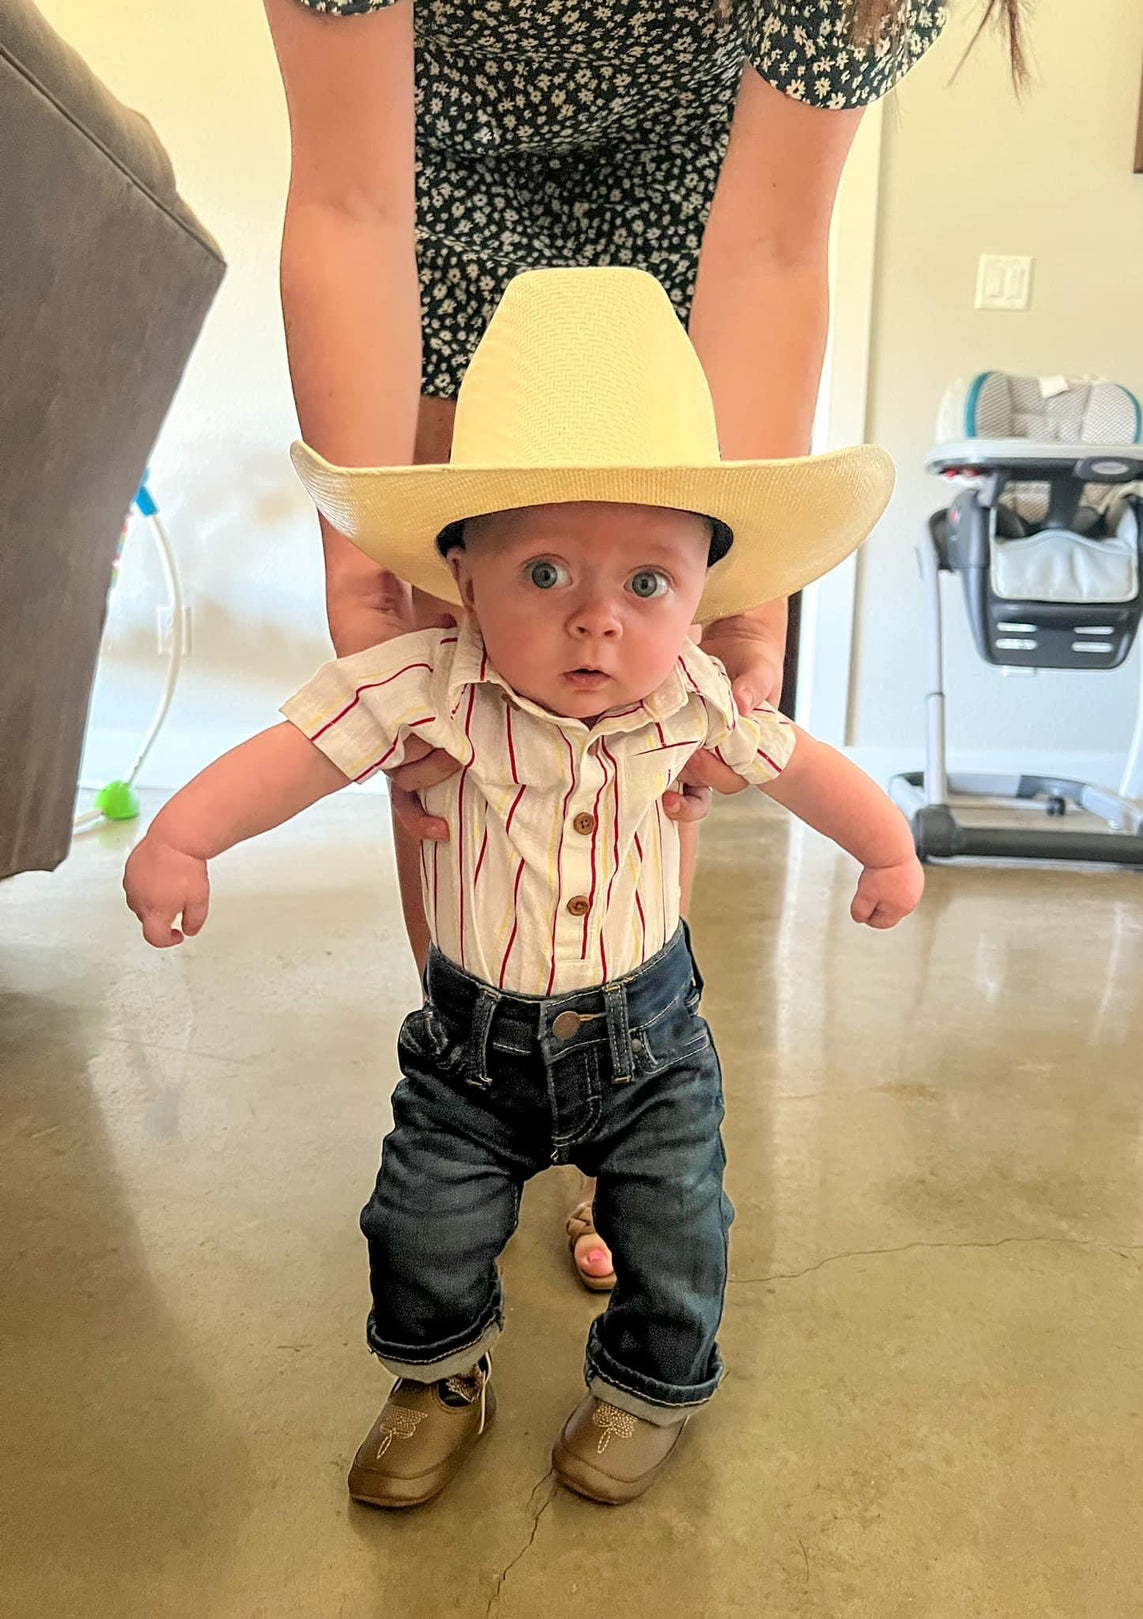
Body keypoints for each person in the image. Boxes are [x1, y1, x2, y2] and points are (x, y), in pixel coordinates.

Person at [123, 266, 923, 1506]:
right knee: (420, 1225)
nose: (597, 621)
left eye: (645, 584)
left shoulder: (695, 699)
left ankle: (646, 1384)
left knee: (677, 1224)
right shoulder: (423, 684)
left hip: (647, 1038)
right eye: (546, 573)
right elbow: (290, 756)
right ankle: (438, 1376)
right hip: (468, 1046)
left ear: (701, 594)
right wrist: (182, 837)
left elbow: (807, 767)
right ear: (463, 575)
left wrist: (883, 846)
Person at [260, 0, 990, 1290]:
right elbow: (351, 204)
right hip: (434, 171)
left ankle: (617, 1106)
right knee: (449, 688)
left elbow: (766, 245)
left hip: (697, 193)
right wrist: (364, 560)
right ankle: (475, 1087)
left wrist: (746, 606)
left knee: (666, 675)